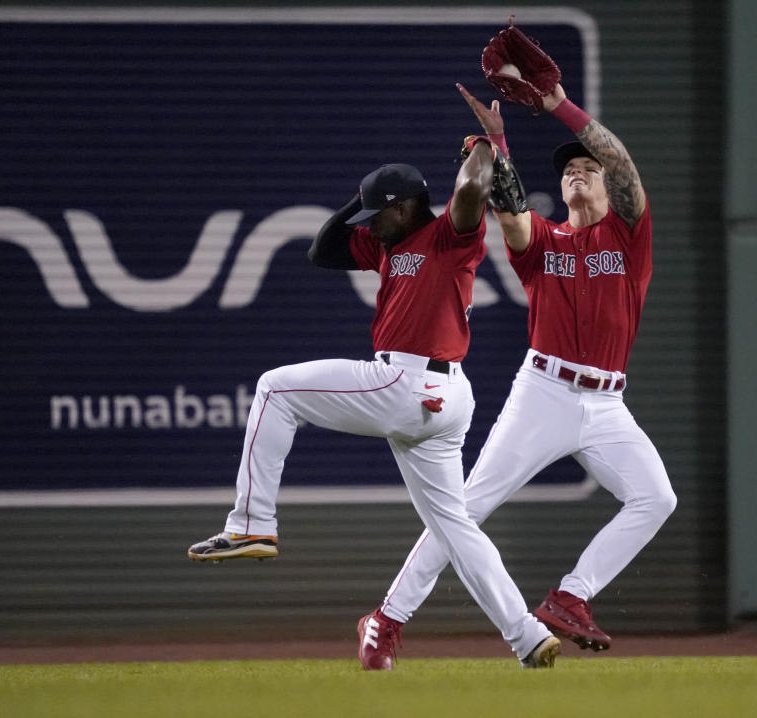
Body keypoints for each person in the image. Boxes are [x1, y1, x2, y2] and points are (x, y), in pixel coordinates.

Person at [186, 142, 560, 670]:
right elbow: (323, 250)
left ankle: (251, 524)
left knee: (274, 389)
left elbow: (473, 186)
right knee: (455, 527)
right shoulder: (386, 244)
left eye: (377, 213)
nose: (369, 224)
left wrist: (484, 146)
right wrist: (364, 199)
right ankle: (526, 636)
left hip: (407, 381)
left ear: (406, 206)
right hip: (441, 399)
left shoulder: (449, 236)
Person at [357, 79, 677, 668]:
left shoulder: (631, 238)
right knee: (466, 508)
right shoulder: (544, 241)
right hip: (545, 393)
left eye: (588, 167)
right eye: (568, 169)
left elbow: (623, 163)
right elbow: (508, 209)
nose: (578, 172)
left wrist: (557, 107)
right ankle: (386, 619)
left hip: (608, 405)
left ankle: (571, 597)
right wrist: (498, 142)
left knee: (656, 497)